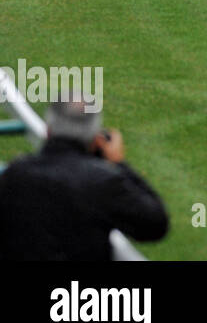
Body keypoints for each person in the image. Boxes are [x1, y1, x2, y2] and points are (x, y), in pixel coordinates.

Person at [0, 96, 169, 260]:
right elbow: (155, 224)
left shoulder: (15, 174)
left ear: (48, 130)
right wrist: (120, 164)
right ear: (96, 138)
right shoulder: (103, 182)